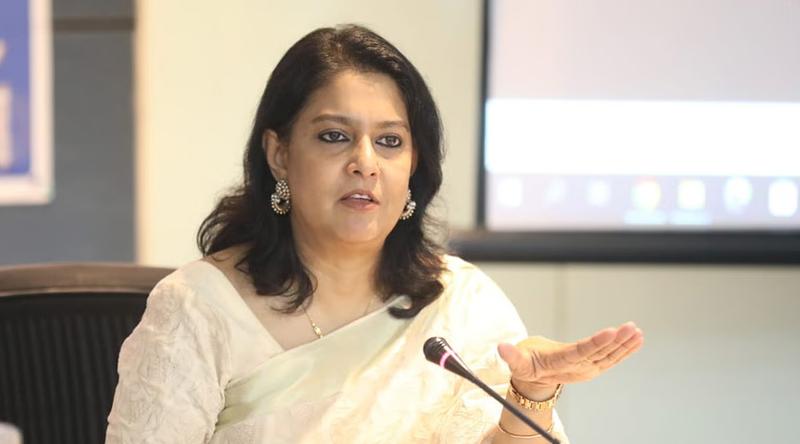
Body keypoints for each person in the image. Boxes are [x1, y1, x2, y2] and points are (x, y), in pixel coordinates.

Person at [106, 24, 643, 443]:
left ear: (414, 166)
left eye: (390, 142)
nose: (365, 163)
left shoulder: (463, 302)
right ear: (279, 154)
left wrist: (531, 391)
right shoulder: (197, 309)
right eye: (334, 136)